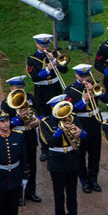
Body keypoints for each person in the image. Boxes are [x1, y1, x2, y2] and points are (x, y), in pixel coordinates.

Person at [39, 94, 85, 215]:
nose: (63, 111)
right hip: (57, 160)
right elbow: (49, 143)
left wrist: (80, 133)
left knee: (72, 192)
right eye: (59, 107)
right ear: (53, 108)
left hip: (71, 158)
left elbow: (83, 134)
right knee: (59, 194)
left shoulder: (73, 118)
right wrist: (60, 129)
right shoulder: (45, 123)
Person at [0, 75, 42, 203]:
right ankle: (18, 194)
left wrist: (37, 121)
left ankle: (31, 192)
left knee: (32, 165)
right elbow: (5, 123)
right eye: (16, 87)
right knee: (17, 166)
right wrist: (18, 118)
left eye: (21, 87)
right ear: (11, 87)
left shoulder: (30, 98)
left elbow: (40, 113)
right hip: (16, 136)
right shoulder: (6, 103)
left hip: (30, 134)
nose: (19, 89)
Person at [27, 33, 67, 162]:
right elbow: (35, 77)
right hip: (42, 91)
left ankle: (62, 139)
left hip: (55, 88)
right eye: (42, 45)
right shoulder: (32, 59)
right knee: (43, 118)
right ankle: (45, 148)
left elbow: (65, 69)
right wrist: (48, 69)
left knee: (60, 114)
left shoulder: (54, 54)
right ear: (37, 44)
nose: (45, 47)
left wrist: (56, 62)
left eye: (47, 45)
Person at [63, 64, 103, 193]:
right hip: (81, 123)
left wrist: (95, 91)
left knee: (95, 154)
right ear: (76, 75)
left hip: (94, 122)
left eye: (87, 75)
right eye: (82, 76)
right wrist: (84, 100)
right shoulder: (70, 90)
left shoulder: (94, 85)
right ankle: (84, 181)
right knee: (81, 155)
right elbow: (70, 109)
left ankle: (94, 179)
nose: (85, 78)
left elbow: (107, 99)